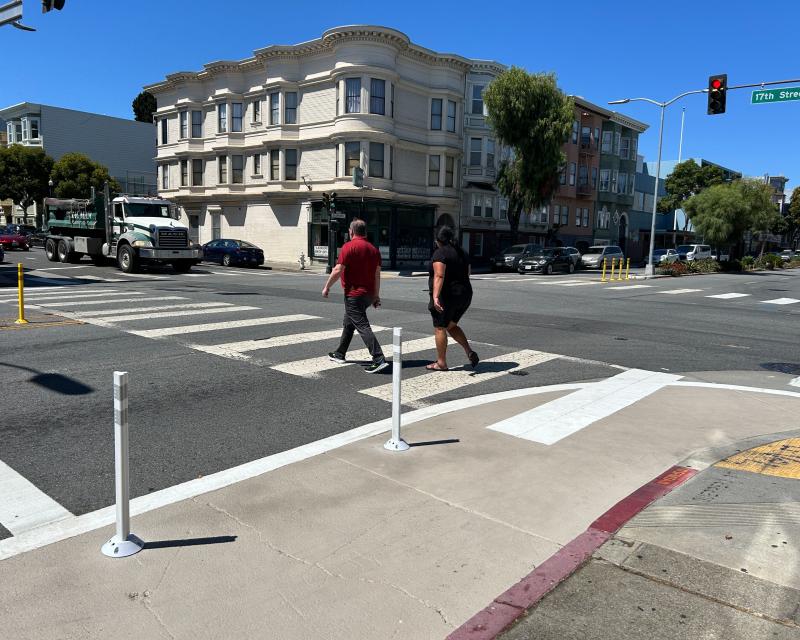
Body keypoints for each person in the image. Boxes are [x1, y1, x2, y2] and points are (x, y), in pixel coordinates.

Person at [322, 218, 389, 374]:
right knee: (349, 322)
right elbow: (377, 275)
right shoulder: (374, 250)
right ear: (365, 232)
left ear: (351, 232)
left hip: (354, 294)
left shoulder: (348, 247)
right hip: (368, 294)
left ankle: (378, 358)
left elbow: (338, 270)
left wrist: (327, 287)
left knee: (362, 325)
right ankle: (339, 353)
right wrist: (376, 296)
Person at [427, 226, 478, 371]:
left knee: (440, 327)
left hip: (447, 296)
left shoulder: (440, 253)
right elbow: (467, 274)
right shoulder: (463, 252)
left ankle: (441, 362)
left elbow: (439, 275)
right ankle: (469, 351)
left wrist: (436, 296)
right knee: (451, 325)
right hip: (465, 294)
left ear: (438, 240)